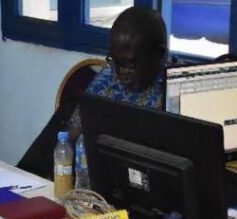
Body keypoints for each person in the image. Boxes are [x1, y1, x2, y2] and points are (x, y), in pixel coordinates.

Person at [17, 7, 169, 179]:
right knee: (68, 109)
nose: (122, 73)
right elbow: (73, 130)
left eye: (130, 65)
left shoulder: (173, 94)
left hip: (134, 185)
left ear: (159, 55)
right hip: (88, 181)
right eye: (116, 62)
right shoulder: (110, 74)